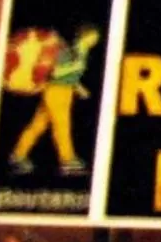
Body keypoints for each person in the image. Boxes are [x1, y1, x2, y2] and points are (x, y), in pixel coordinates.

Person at [7, 26, 100, 177]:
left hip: (67, 91)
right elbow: (55, 72)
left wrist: (78, 88)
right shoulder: (67, 50)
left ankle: (17, 155)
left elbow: (73, 75)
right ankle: (67, 160)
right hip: (55, 90)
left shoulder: (83, 52)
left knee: (39, 125)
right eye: (93, 37)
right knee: (62, 125)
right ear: (85, 36)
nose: (95, 40)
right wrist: (74, 68)